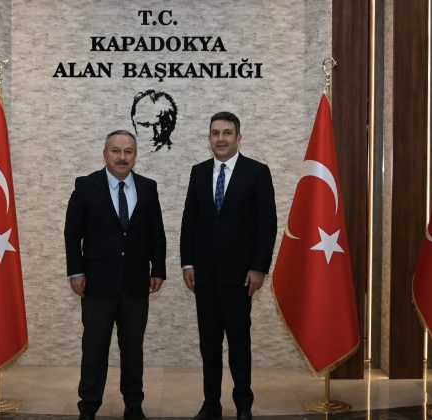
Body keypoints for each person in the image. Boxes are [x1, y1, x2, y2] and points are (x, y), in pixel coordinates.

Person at [180, 112, 277, 420]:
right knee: (208, 345)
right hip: (204, 276)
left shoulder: (257, 172)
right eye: (215, 133)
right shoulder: (198, 172)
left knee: (239, 343)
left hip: (240, 277)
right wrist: (187, 262)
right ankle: (211, 404)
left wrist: (259, 267)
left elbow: (267, 225)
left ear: (238, 137)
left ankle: (243, 405)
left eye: (227, 132)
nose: (220, 138)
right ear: (209, 138)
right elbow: (189, 221)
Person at [64, 130, 167, 420]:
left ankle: (133, 404)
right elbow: (72, 233)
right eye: (116, 151)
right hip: (96, 283)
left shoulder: (148, 187)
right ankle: (88, 406)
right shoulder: (86, 186)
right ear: (105, 154)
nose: (122, 157)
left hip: (136, 283)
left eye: (128, 151)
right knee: (94, 348)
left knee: (133, 348)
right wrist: (76, 271)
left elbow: (157, 234)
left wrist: (158, 269)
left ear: (135, 155)